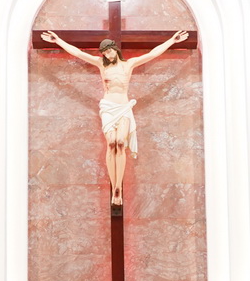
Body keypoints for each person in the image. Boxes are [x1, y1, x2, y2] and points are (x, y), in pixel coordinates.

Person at [38, 28, 191, 206]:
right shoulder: (101, 65)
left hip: (123, 108)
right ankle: (115, 187)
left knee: (120, 143)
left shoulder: (129, 65)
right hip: (108, 108)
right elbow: (78, 53)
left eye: (109, 51)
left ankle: (118, 186)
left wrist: (172, 40)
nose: (107, 55)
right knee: (111, 144)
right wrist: (57, 41)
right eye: (104, 53)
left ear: (115, 49)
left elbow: (152, 54)